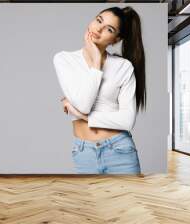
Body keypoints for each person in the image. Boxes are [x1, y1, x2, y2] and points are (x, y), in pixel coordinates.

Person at [53, 6, 146, 174]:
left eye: (109, 29)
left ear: (115, 39)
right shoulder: (64, 59)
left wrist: (82, 117)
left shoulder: (123, 67)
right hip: (84, 154)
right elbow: (83, 104)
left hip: (120, 151)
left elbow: (127, 120)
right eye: (98, 20)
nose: (99, 29)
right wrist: (96, 62)